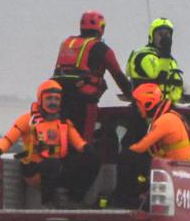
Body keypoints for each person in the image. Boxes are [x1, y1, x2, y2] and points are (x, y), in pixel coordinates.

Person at [0, 80, 95, 205]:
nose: (53, 102)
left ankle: (75, 198)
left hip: (57, 167)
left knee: (92, 159)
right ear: (40, 99)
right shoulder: (28, 120)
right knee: (52, 164)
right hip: (33, 168)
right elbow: (8, 138)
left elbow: (78, 143)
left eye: (56, 99)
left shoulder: (64, 122)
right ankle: (48, 203)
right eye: (49, 98)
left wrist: (89, 150)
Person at [52, 10, 133, 140]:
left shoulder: (67, 44)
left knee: (63, 140)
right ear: (101, 28)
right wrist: (132, 96)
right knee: (83, 143)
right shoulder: (102, 49)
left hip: (60, 102)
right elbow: (118, 76)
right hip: (85, 103)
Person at [127, 83, 190, 162]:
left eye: (138, 105)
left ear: (148, 104)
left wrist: (126, 153)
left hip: (175, 170)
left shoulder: (164, 121)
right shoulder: (174, 116)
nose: (137, 110)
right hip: (185, 168)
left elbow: (141, 147)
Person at [126, 17, 185, 103]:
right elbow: (158, 76)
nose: (164, 38)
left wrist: (180, 92)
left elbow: (174, 86)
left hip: (167, 106)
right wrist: (165, 53)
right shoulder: (143, 55)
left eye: (167, 35)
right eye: (160, 34)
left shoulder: (170, 60)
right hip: (147, 109)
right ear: (152, 36)